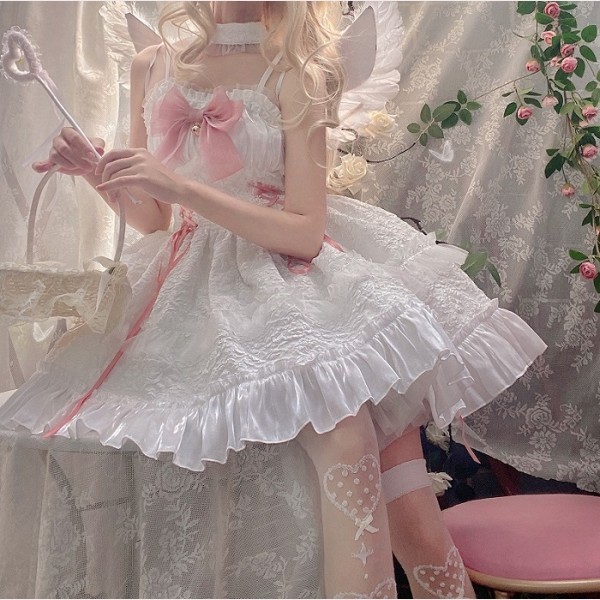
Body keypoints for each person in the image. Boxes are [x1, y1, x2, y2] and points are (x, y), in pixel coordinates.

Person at [0, 2, 546, 598]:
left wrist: (180, 186)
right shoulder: (151, 63)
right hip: (192, 290)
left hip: (298, 283)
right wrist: (95, 170)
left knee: (411, 518)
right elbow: (153, 219)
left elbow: (305, 231)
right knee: (349, 454)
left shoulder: (298, 69)